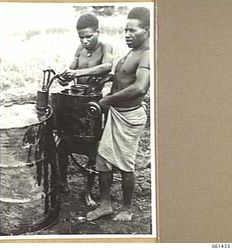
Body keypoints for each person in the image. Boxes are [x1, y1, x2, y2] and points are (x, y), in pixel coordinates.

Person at [86, 7, 151, 221]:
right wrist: (107, 80)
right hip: (116, 113)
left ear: (147, 30)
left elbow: (140, 87)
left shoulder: (147, 54)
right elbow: (123, 77)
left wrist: (106, 101)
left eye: (133, 30)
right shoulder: (132, 52)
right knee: (103, 159)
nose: (127, 35)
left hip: (129, 117)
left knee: (124, 163)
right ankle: (105, 205)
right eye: (125, 30)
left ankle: (127, 209)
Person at [57, 13, 113, 206]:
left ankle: (88, 190)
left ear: (98, 31)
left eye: (89, 36)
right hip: (75, 103)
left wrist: (78, 73)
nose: (85, 40)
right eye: (81, 37)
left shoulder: (106, 47)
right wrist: (64, 75)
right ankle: (62, 181)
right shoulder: (80, 48)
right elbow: (71, 68)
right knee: (63, 142)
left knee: (91, 147)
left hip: (92, 105)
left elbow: (106, 66)